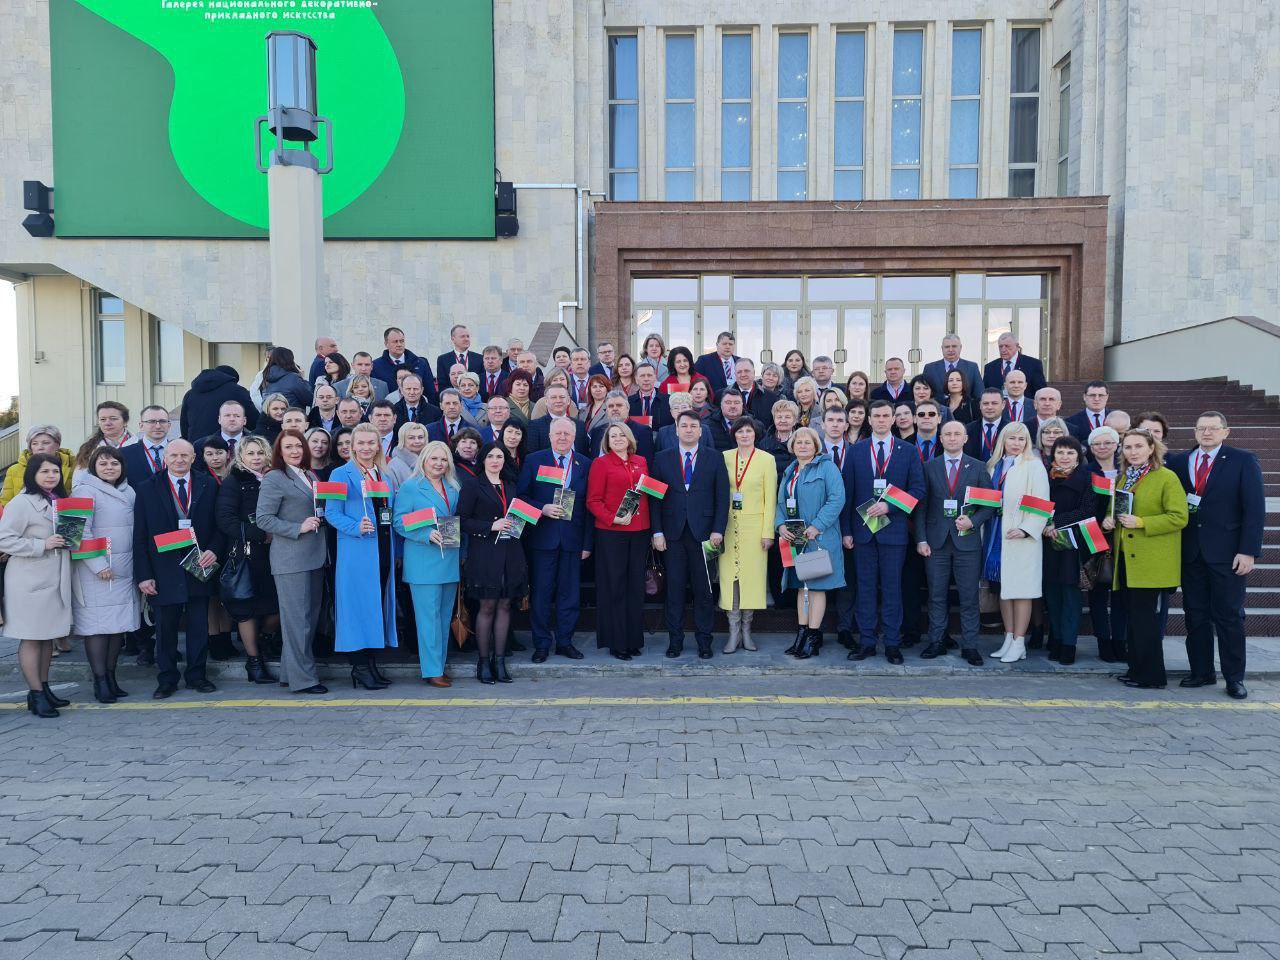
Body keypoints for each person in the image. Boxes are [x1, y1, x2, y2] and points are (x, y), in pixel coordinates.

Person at [1168, 412, 1264, 698]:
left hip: (1227, 553)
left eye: (1213, 429)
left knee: (1229, 616)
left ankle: (1234, 677)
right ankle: (1201, 672)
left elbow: (1255, 510)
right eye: (1201, 428)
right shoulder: (1179, 461)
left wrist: (1248, 551)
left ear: (1226, 432)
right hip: (1191, 552)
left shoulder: (1242, 460)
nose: (1207, 433)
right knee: (1195, 615)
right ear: (1194, 432)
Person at [133, 440, 225, 698]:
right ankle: (167, 679)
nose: (179, 460)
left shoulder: (208, 485)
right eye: (174, 455)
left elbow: (220, 526)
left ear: (194, 457)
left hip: (199, 564)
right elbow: (139, 536)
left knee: (199, 626)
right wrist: (144, 575)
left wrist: (214, 550)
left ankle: (197, 676)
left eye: (185, 455)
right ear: (166, 458)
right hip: (163, 569)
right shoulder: (147, 488)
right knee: (165, 629)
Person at [1102, 429, 1188, 689]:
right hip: (1126, 560)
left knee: (1144, 621)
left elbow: (1179, 517)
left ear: (1152, 448)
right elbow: (1115, 508)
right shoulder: (1124, 478)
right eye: (1127, 447)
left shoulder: (1166, 477)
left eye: (1138, 446)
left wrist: (1142, 522)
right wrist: (1109, 519)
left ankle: (1152, 677)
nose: (1133, 452)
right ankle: (1137, 669)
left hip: (1151, 561)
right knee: (1135, 619)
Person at [843, 400, 926, 664]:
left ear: (893, 419)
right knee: (865, 588)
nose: (881, 420)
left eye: (885, 416)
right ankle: (867, 642)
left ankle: (892, 643)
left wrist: (889, 506)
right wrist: (846, 531)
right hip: (863, 532)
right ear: (869, 419)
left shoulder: (908, 451)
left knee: (892, 588)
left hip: (894, 532)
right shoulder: (856, 451)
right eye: (876, 415)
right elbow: (848, 494)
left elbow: (918, 491)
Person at [650, 411, 731, 659]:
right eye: (683, 425)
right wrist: (657, 531)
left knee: (703, 591)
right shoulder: (661, 459)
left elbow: (722, 497)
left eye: (693, 426)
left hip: (705, 534)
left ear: (700, 431)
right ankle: (675, 641)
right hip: (672, 535)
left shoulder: (714, 458)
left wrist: (718, 529)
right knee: (674, 591)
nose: (687, 429)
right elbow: (654, 499)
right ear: (676, 430)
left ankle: (704, 642)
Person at [916, 421, 997, 666]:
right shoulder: (929, 467)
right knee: (937, 595)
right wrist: (921, 538)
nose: (952, 438)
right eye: (947, 434)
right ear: (940, 439)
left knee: (969, 596)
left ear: (965, 438)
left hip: (968, 543)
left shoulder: (979, 467)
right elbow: (922, 507)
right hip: (936, 542)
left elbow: (991, 505)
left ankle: (970, 646)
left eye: (957, 434)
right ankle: (936, 641)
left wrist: (973, 521)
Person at [254, 430, 329, 695]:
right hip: (291, 558)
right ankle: (304, 680)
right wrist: (298, 527)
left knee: (307, 618)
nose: (295, 451)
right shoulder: (275, 477)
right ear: (279, 451)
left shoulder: (308, 475)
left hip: (314, 556)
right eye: (289, 447)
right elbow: (263, 519)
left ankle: (289, 672)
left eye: (299, 446)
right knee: (298, 621)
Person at [325, 423, 399, 690]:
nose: (367, 448)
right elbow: (331, 513)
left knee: (374, 607)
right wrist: (354, 527)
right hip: (356, 551)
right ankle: (359, 667)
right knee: (356, 608)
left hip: (381, 549)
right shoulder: (339, 474)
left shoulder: (385, 475)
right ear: (351, 446)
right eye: (362, 443)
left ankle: (370, 664)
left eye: (372, 443)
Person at [0, 454, 74, 716]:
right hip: (29, 579)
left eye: (55, 471)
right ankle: (36, 693)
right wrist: (41, 545)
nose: (51, 476)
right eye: (45, 471)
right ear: (32, 474)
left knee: (46, 638)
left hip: (54, 578)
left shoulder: (60, 501)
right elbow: (4, 539)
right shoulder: (21, 503)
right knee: (32, 637)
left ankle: (44, 687)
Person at [517, 419, 594, 662]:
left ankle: (564, 642)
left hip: (573, 540)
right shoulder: (534, 460)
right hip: (542, 539)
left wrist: (587, 544)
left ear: (574, 437)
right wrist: (542, 508)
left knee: (569, 594)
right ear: (549, 436)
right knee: (541, 593)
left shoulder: (585, 463)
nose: (562, 437)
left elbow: (588, 507)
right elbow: (520, 498)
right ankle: (541, 643)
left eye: (567, 434)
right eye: (558, 433)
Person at [70, 447, 140, 702]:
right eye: (103, 463)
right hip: (97, 573)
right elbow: (74, 535)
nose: (110, 467)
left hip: (124, 570)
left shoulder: (129, 490)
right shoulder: (82, 490)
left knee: (116, 628)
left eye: (114, 463)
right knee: (97, 628)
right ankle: (100, 681)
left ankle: (111, 677)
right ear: (93, 467)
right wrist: (98, 565)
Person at [394, 441, 462, 687]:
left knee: (443, 618)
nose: (439, 464)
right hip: (423, 561)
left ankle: (439, 666)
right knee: (428, 620)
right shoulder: (411, 487)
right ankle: (432, 670)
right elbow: (398, 522)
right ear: (423, 460)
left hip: (449, 559)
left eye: (443, 460)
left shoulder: (453, 486)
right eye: (434, 459)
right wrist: (425, 534)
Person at [458, 445, 528, 683]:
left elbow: (517, 515)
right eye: (491, 456)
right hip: (485, 552)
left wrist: (518, 522)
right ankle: (484, 661)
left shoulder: (510, 485)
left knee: (506, 605)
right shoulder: (472, 485)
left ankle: (500, 661)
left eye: (500, 456)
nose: (495, 460)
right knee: (487, 606)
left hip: (511, 550)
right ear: (483, 459)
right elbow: (463, 521)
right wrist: (490, 526)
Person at [775, 427, 846, 658]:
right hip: (795, 537)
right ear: (792, 446)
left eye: (808, 442)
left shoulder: (827, 467)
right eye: (798, 442)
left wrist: (818, 525)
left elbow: (837, 499)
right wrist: (781, 526)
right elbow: (780, 504)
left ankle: (813, 639)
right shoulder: (790, 470)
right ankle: (802, 634)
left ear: (816, 446)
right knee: (800, 588)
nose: (802, 446)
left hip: (818, 537)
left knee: (816, 588)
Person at [983, 422, 1051, 663]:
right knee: (1004, 589)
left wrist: (1025, 529)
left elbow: (1042, 503)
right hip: (997, 535)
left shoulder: (1033, 466)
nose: (1016, 443)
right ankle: (1009, 637)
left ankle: (1020, 641)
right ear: (1003, 440)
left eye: (1021, 440)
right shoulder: (994, 465)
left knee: (1022, 591)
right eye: (1012, 439)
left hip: (1020, 538)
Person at [215, 436, 281, 683]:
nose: (256, 457)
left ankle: (264, 641)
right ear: (241, 457)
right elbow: (226, 519)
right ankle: (254, 662)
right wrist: (261, 533)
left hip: (275, 554)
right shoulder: (234, 481)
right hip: (246, 553)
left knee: (277, 606)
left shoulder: (276, 478)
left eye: (260, 453)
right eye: (250, 453)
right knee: (247, 609)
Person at [586, 423, 650, 659]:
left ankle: (633, 639)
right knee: (615, 587)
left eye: (621, 434)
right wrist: (613, 518)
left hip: (639, 531)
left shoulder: (641, 461)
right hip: (612, 533)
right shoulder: (600, 464)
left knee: (635, 587)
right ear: (607, 441)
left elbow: (647, 492)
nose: (618, 438)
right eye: (613, 436)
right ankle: (617, 641)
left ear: (629, 437)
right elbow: (593, 501)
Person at [718, 417, 777, 653]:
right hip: (728, 527)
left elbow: (770, 499)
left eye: (748, 431)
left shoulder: (766, 459)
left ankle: (747, 631)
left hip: (755, 529)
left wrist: (767, 532)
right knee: (730, 579)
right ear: (734, 435)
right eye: (740, 431)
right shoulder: (724, 457)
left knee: (751, 581)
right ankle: (733, 632)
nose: (744, 435)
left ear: (755, 434)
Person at [1040, 436, 1098, 665]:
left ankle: (1068, 645)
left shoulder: (1087, 478)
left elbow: (1087, 510)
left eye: (1070, 453)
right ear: (1053, 455)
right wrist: (1045, 524)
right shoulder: (1044, 476)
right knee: (1052, 593)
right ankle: (1056, 637)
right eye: (1060, 452)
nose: (1065, 457)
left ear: (1079, 456)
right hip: (1047, 541)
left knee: (1070, 596)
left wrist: (1058, 523)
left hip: (1073, 544)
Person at [180, 365, 259, 440]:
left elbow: (184, 425)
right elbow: (254, 422)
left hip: (195, 445)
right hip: (223, 447)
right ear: (231, 378)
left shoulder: (190, 393)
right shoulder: (237, 391)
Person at [2, 425, 75, 505]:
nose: (40, 447)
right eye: (35, 444)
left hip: (64, 514)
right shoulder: (14, 469)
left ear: (57, 445)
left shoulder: (74, 467)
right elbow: (5, 502)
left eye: (46, 443)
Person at [371, 326, 438, 401]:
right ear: (386, 344)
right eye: (395, 341)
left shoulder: (421, 363)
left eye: (402, 341)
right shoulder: (376, 366)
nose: (399, 344)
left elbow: (430, 392)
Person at [527, 385, 590, 454]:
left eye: (562, 397)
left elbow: (585, 454)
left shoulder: (579, 425)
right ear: (546, 401)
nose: (558, 400)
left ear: (568, 400)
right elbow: (532, 456)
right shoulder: (535, 426)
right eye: (553, 397)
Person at [121, 407, 173, 488]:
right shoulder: (124, 453)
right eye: (152, 421)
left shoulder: (181, 452)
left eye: (162, 421)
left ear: (169, 425)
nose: (158, 426)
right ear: (141, 426)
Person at [982, 332, 1047, 395]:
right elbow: (984, 393)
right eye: (1000, 347)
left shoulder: (1033, 364)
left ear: (1017, 346)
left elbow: (1041, 392)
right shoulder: (990, 367)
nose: (1003, 350)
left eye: (1007, 346)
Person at [922, 334, 983, 401]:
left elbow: (979, 395)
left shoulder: (972, 367)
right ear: (942, 348)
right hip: (938, 410)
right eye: (947, 347)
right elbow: (924, 394)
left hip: (964, 410)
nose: (950, 350)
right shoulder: (930, 368)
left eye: (954, 346)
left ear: (960, 348)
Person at [964, 389, 1010, 460]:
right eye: (985, 403)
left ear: (1003, 405)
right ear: (980, 405)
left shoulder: (1011, 429)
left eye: (994, 403)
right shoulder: (968, 429)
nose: (989, 407)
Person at [435, 323, 485, 389]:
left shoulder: (479, 358)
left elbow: (482, 383)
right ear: (453, 339)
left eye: (468, 336)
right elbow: (442, 384)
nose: (466, 339)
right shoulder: (443, 359)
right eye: (462, 336)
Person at [629, 361, 673, 432]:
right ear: (636, 380)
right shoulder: (628, 402)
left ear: (655, 378)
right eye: (642, 376)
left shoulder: (668, 400)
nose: (646, 379)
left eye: (649, 375)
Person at [386, 422, 429, 488]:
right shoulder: (394, 465)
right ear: (402, 440)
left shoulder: (432, 460)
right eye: (411, 438)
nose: (417, 441)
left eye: (420, 437)